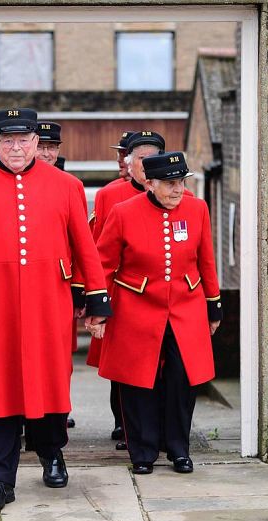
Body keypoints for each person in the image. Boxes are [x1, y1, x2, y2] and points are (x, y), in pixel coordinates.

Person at [0, 108, 112, 512]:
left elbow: (85, 246)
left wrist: (97, 298)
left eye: (24, 139)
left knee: (48, 384)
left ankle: (52, 454)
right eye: (7, 140)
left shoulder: (66, 185)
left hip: (48, 302)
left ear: (37, 142)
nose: (16, 147)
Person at [94, 151, 222, 475]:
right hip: (137, 307)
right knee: (139, 382)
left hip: (186, 307)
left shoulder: (197, 209)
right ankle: (143, 451)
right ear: (149, 183)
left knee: (182, 380)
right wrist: (98, 308)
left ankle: (179, 449)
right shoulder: (123, 213)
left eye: (181, 182)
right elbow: (104, 263)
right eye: (169, 183)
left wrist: (213, 304)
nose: (177, 189)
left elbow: (206, 260)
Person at [86, 131, 166, 446]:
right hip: (123, 292)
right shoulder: (109, 195)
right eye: (138, 158)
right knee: (123, 366)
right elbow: (100, 249)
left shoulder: (177, 195)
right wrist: (96, 297)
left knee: (161, 366)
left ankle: (157, 427)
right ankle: (125, 424)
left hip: (161, 294)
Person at [35, 120, 81, 429]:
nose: (47, 153)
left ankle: (52, 428)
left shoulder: (68, 185)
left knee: (56, 364)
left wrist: (81, 291)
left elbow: (80, 244)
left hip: (56, 288)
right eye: (43, 146)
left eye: (53, 148)